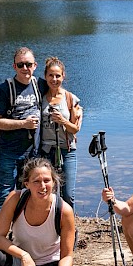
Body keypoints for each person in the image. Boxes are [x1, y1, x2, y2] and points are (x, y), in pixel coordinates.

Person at [0, 47, 46, 227]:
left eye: (28, 64)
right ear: (14, 66)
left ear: (35, 65)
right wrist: (23, 124)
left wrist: (75, 108)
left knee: (28, 194)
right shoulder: (4, 89)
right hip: (9, 152)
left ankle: (22, 234)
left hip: (33, 153)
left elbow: (58, 92)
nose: (25, 68)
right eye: (20, 65)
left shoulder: (40, 85)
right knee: (5, 194)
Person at [40, 56, 83, 208]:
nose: (54, 79)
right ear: (45, 76)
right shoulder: (40, 98)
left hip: (67, 150)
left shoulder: (71, 99)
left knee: (68, 194)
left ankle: (68, 222)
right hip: (46, 151)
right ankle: (50, 221)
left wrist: (63, 121)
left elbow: (75, 129)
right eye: (51, 75)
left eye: (57, 75)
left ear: (63, 76)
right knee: (48, 193)